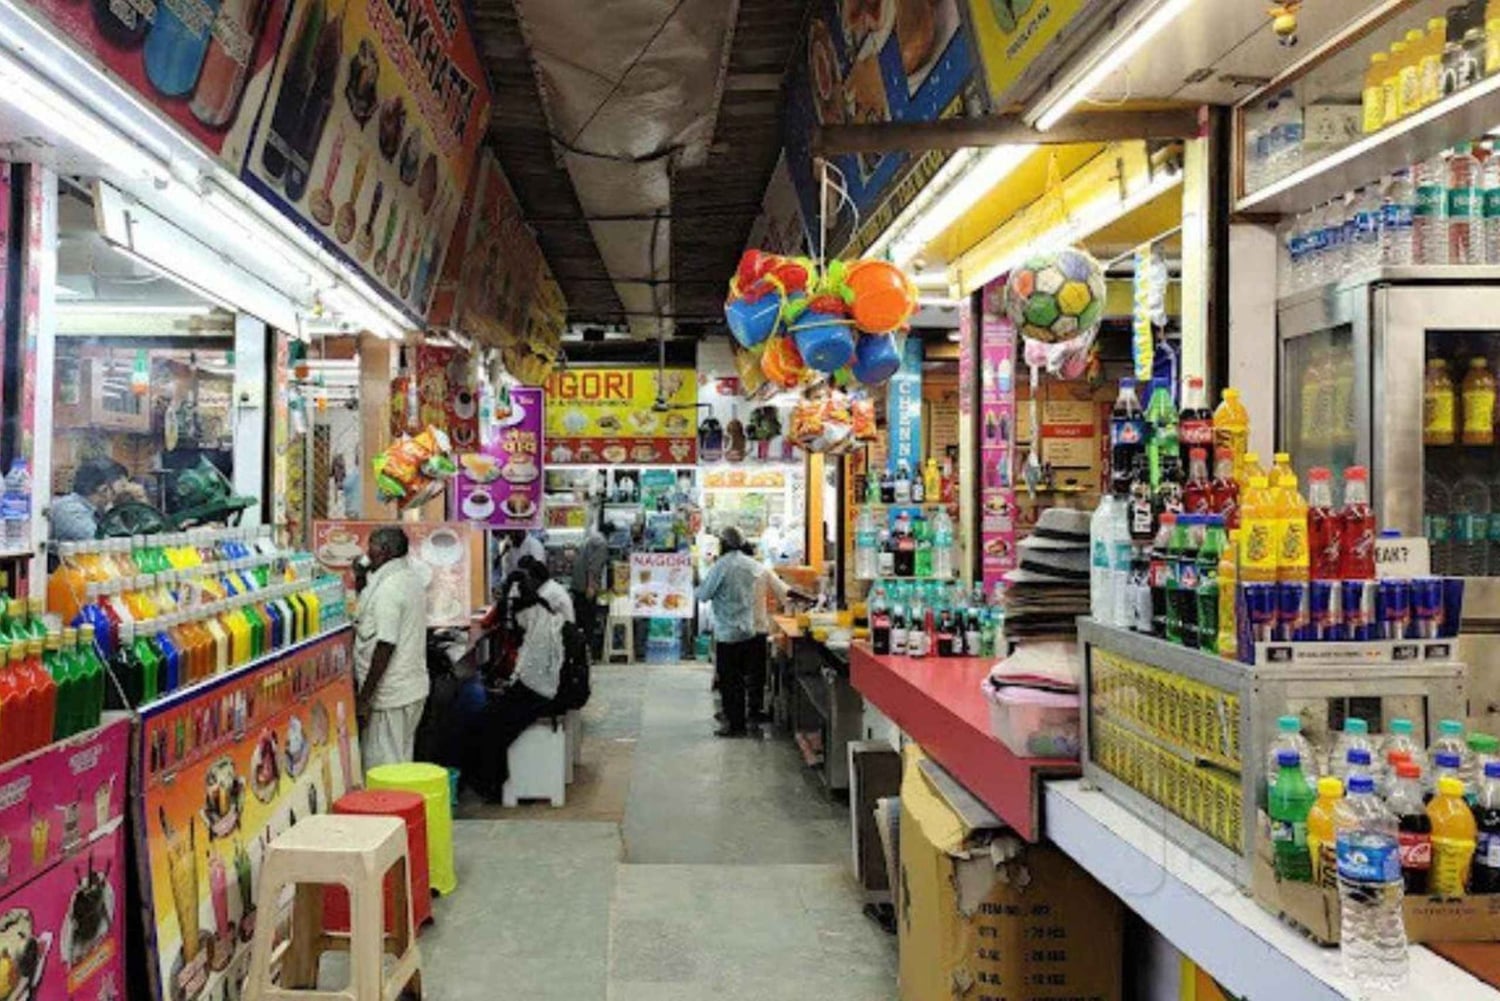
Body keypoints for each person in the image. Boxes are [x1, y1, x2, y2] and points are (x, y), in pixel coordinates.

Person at [464, 567, 567, 801]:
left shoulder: (530, 617)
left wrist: (509, 685)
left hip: (538, 692)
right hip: (540, 688)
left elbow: (529, 673)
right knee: (489, 719)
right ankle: (494, 781)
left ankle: (495, 785)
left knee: (487, 725)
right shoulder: (540, 611)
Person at [353, 526, 429, 769]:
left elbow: (385, 645)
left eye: (372, 547)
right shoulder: (407, 578)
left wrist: (364, 699)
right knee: (400, 762)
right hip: (410, 689)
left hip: (392, 695)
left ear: (384, 551)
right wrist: (361, 578)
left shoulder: (390, 588)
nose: (367, 552)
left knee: (383, 767)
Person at [696, 526, 765, 738]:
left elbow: (704, 595)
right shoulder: (752, 564)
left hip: (727, 633)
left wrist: (698, 585)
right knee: (743, 680)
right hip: (748, 630)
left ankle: (735, 725)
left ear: (724, 544)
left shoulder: (722, 566)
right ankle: (742, 720)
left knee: (729, 681)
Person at [49, 459, 130, 542]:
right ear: (103, 489)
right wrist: (112, 514)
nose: (125, 491)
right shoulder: (70, 510)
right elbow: (104, 543)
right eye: (122, 486)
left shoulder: (96, 509)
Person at [569, 511, 610, 657]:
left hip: (578, 584)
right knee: (588, 621)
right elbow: (594, 567)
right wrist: (591, 586)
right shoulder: (601, 543)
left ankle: (579, 652)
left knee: (579, 619)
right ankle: (587, 652)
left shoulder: (591, 538)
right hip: (585, 586)